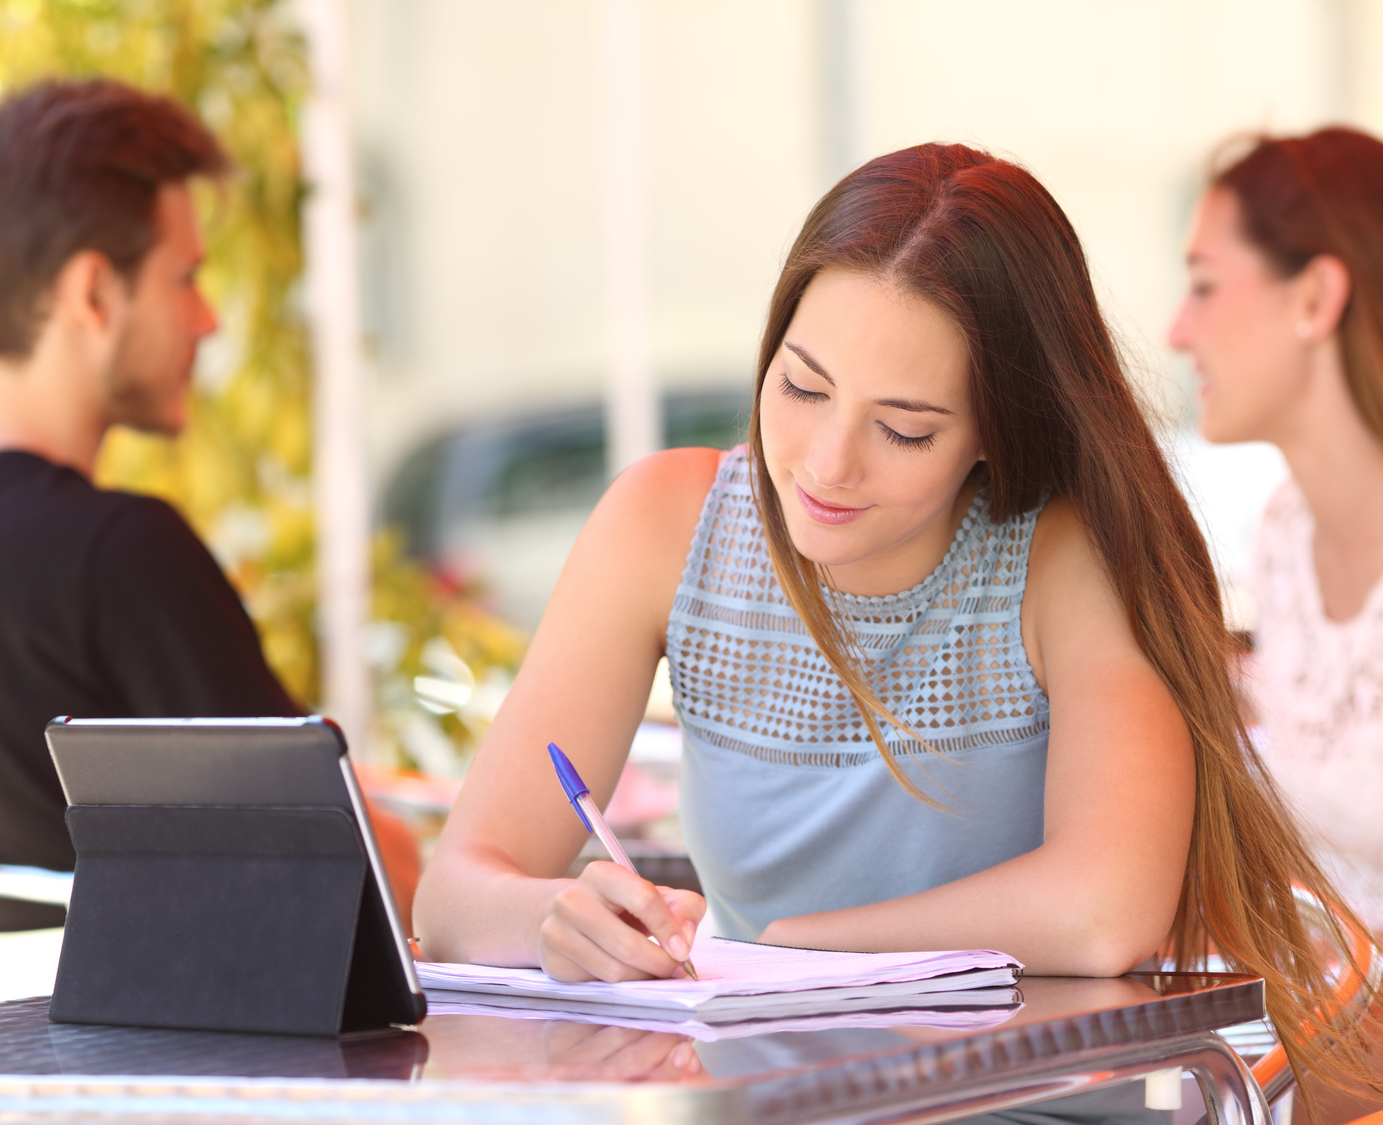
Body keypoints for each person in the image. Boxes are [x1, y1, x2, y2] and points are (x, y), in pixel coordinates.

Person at [414, 142, 1375, 1095]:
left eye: (904, 428)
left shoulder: (1062, 558)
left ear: (996, 430)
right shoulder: (663, 525)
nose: (828, 464)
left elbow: (1104, 910)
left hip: (1026, 1106)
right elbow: (455, 893)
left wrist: (794, 949)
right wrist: (554, 917)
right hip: (762, 1104)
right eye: (801, 386)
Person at [0, 78, 417, 934]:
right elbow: (353, 863)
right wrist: (437, 846)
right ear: (94, 294)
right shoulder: (118, 551)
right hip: (160, 1055)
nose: (208, 320)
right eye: (186, 278)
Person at [1170, 128, 1383, 941]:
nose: (1177, 330)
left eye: (1203, 286)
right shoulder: (1286, 535)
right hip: (1328, 1042)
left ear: (1315, 298)